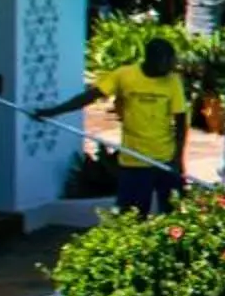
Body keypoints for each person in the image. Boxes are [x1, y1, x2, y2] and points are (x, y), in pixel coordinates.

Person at [42, 37, 189, 215]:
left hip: (164, 160)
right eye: (168, 61)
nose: (172, 65)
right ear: (152, 60)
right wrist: (55, 111)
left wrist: (177, 159)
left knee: (173, 217)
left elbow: (181, 122)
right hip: (134, 160)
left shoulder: (173, 81)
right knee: (132, 217)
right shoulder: (124, 75)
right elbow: (90, 96)